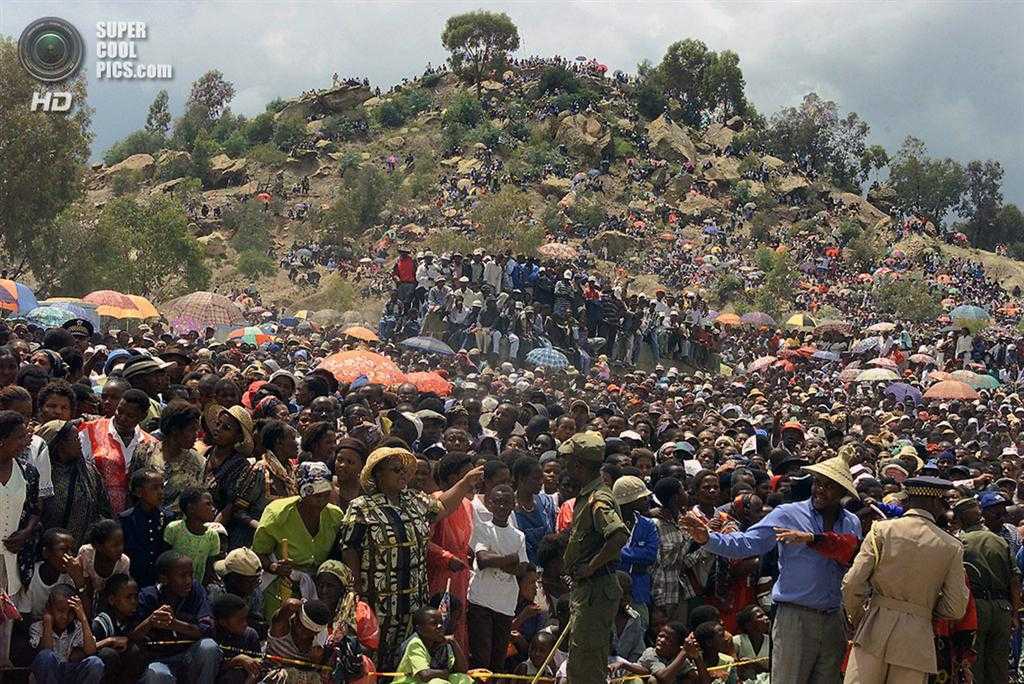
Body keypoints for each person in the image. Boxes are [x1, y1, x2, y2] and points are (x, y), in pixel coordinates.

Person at [683, 451, 862, 683]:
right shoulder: (788, 514)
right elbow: (747, 543)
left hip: (833, 618)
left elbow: (853, 564)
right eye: (818, 483)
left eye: (829, 486)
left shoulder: (851, 523)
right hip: (795, 617)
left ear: (843, 492)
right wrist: (708, 539)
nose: (820, 490)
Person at [841, 476, 969, 683]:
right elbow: (955, 607)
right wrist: (924, 612)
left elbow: (852, 582)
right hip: (917, 637)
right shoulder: (951, 546)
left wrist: (858, 617)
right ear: (936, 503)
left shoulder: (881, 530)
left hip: (874, 627)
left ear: (909, 500)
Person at [559, 431, 629, 683]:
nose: (565, 467)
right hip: (590, 590)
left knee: (586, 664)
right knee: (581, 662)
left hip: (595, 588)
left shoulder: (597, 497)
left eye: (569, 462)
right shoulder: (589, 494)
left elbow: (618, 536)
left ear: (578, 466)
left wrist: (590, 567)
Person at [252, 461, 344, 621]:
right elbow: (258, 553)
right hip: (282, 587)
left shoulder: (335, 516)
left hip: (320, 590)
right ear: (303, 492)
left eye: (325, 494)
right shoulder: (277, 514)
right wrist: (273, 567)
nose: (321, 500)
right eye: (316, 495)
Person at [132, 550, 221, 683]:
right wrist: (150, 621)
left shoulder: (196, 591)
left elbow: (207, 630)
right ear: (164, 578)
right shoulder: (148, 596)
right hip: (160, 660)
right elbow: (132, 637)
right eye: (182, 576)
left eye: (191, 575)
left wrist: (173, 623)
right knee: (157, 674)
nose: (188, 581)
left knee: (209, 646)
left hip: (189, 655)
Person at [957, 492, 1019, 684]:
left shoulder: (960, 542)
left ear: (959, 520)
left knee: (975, 663)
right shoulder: (999, 540)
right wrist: (1014, 613)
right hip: (1002, 609)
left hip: (975, 609)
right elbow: (1014, 580)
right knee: (999, 664)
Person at [466, 482, 529, 670]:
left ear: (513, 504)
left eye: (506, 502)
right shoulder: (482, 528)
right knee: (481, 657)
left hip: (505, 604)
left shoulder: (518, 535)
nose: (501, 507)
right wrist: (509, 558)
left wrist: (498, 561)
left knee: (498, 659)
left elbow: (522, 568)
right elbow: (483, 559)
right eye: (497, 502)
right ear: (490, 504)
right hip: (481, 601)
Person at [78, 389, 156, 514]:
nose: (122, 418)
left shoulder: (150, 443)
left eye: (130, 416)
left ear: (143, 416)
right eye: (120, 411)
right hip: (94, 511)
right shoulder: (90, 430)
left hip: (133, 517)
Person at [37, 420, 112, 545]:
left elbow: (103, 509)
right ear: (60, 443)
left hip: (83, 548)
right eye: (76, 438)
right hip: (47, 550)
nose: (80, 442)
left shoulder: (89, 472)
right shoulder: (42, 474)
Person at [131, 401, 205, 514]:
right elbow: (133, 491)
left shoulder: (198, 462)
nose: (196, 435)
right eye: (191, 430)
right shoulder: (145, 452)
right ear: (174, 430)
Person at [30, 585, 104, 684]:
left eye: (70, 612)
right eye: (60, 611)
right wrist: (48, 623)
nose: (65, 617)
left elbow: (91, 651)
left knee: (96, 663)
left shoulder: (77, 626)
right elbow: (45, 652)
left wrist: (83, 618)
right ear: (49, 608)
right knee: (45, 656)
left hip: (70, 672)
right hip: (49, 675)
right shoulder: (38, 628)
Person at [118, 469, 172, 589]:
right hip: (133, 579)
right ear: (138, 492)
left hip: (159, 580)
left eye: (162, 488)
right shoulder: (126, 519)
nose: (160, 492)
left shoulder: (168, 517)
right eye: (154, 488)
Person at [392, 606, 473, 684]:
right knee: (437, 682)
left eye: (441, 622)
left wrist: (453, 642)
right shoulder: (415, 643)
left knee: (462, 678)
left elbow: (462, 670)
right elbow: (425, 675)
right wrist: (447, 672)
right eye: (433, 623)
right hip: (409, 682)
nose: (440, 626)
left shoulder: (443, 642)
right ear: (419, 629)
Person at [91, 573, 145, 683]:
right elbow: (87, 650)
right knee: (108, 654)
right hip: (104, 675)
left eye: (135, 597)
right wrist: (109, 641)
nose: (134, 602)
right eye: (128, 597)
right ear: (112, 600)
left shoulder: (135, 619)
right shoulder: (102, 623)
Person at [163, 488, 220, 586]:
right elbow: (164, 558)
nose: (213, 509)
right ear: (191, 508)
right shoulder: (174, 529)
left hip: (195, 588)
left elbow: (209, 568)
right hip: (172, 584)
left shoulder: (212, 536)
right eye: (208, 504)